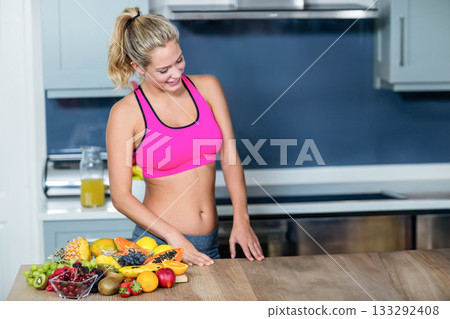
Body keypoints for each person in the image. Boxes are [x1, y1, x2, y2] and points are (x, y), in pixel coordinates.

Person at [106, 7, 264, 266]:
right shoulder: (125, 113)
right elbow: (121, 197)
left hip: (209, 245)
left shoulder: (208, 87)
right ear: (138, 67)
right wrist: (174, 237)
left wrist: (242, 219)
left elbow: (229, 155)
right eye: (163, 70)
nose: (176, 74)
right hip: (158, 248)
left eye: (179, 60)